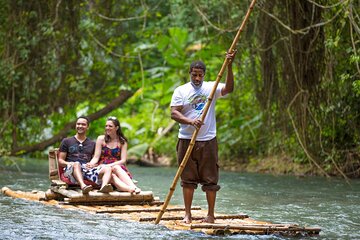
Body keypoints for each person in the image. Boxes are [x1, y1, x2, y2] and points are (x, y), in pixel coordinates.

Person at [170, 51, 237, 223]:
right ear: (190, 73)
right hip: (186, 139)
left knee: (210, 178)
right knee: (187, 179)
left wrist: (229, 65)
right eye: (194, 75)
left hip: (208, 140)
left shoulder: (211, 88)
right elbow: (174, 113)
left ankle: (211, 215)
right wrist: (190, 121)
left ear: (204, 75)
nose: (197, 78)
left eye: (200, 75)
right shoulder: (181, 90)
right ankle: (187, 214)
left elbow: (229, 88)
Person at [58, 116, 114, 194]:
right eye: (78, 124)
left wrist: (93, 165)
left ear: (87, 127)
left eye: (83, 124)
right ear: (75, 126)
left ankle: (103, 187)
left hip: (87, 170)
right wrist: (69, 163)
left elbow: (95, 159)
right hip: (70, 170)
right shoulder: (67, 141)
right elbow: (60, 160)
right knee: (77, 164)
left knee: (108, 168)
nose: (80, 126)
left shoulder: (92, 144)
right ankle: (83, 186)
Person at [86, 116, 141, 194]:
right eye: (106, 126)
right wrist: (91, 164)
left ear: (116, 128)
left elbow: (123, 160)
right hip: (103, 166)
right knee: (112, 176)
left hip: (117, 166)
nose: (107, 128)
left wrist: (110, 165)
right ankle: (130, 189)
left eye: (110, 126)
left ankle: (134, 187)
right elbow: (96, 157)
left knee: (115, 168)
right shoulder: (101, 139)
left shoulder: (122, 141)